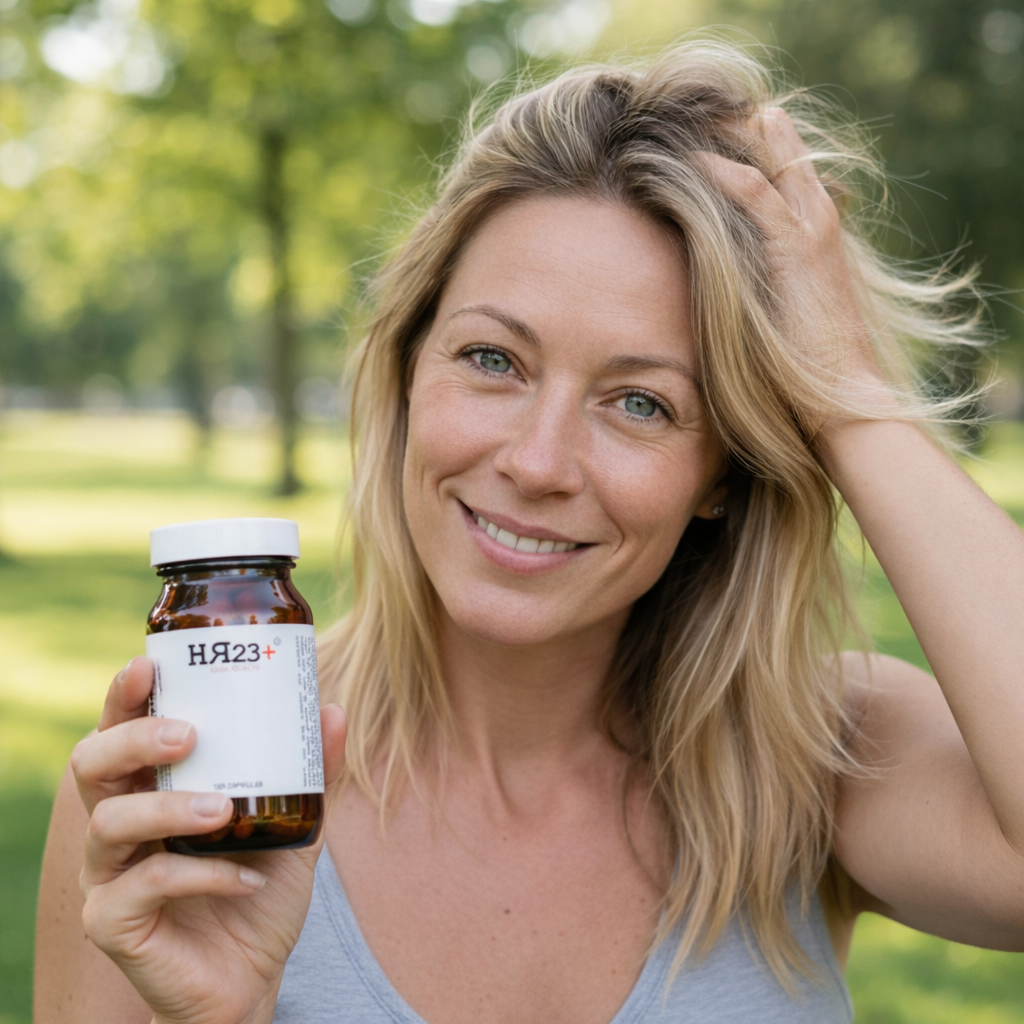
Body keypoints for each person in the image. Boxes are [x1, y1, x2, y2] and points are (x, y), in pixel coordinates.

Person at [35, 40, 1024, 1024]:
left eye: (639, 402)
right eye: (492, 358)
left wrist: (848, 397)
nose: (538, 463)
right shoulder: (179, 786)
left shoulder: (819, 757)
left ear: (723, 470)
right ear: (408, 372)